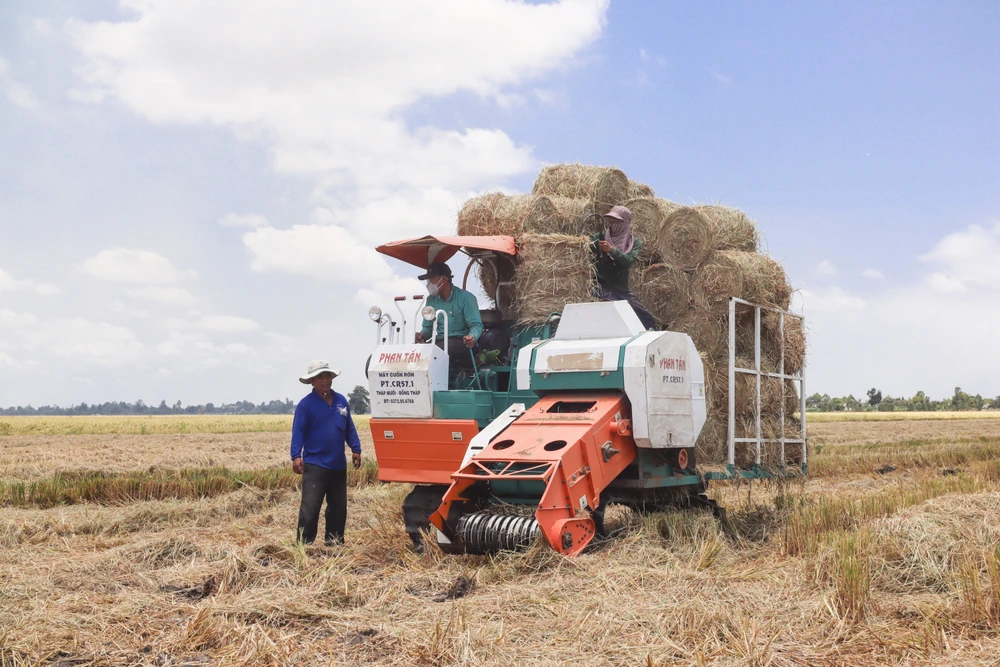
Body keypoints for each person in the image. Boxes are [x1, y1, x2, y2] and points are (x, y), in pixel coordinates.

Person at [290, 360, 362, 546]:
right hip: (315, 464)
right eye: (320, 377)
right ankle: (304, 544)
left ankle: (334, 542)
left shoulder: (341, 401)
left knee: (338, 508)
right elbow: (298, 432)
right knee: (310, 507)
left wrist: (356, 448)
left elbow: (349, 428)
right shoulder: (305, 405)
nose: (325, 380)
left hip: (338, 464)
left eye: (327, 375)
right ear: (312, 381)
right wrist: (296, 455)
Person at [588, 205, 657, 329]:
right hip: (601, 286)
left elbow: (628, 261)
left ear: (625, 223)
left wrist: (612, 250)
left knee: (644, 316)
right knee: (614, 311)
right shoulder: (599, 237)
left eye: (616, 220)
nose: (611, 223)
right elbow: (584, 246)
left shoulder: (634, 243)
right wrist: (595, 246)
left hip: (621, 288)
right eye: (610, 219)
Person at [413, 262, 483, 365]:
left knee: (440, 349)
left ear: (444, 279)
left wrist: (472, 337)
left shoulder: (466, 298)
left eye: (432, 279)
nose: (429, 284)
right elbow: (428, 328)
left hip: (461, 341)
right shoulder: (431, 300)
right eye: (428, 280)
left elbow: (476, 325)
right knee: (417, 352)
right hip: (440, 341)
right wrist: (421, 335)